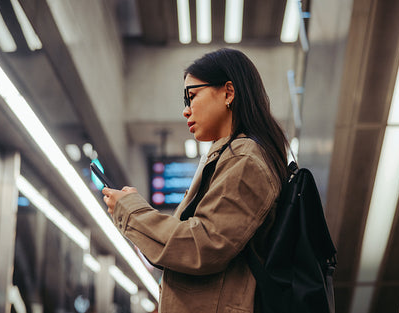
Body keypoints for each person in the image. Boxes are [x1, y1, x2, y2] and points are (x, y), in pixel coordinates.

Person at [102, 48, 289, 313]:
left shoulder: (246, 160)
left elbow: (202, 245)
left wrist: (132, 210)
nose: (185, 110)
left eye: (192, 96)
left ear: (228, 92)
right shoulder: (230, 156)